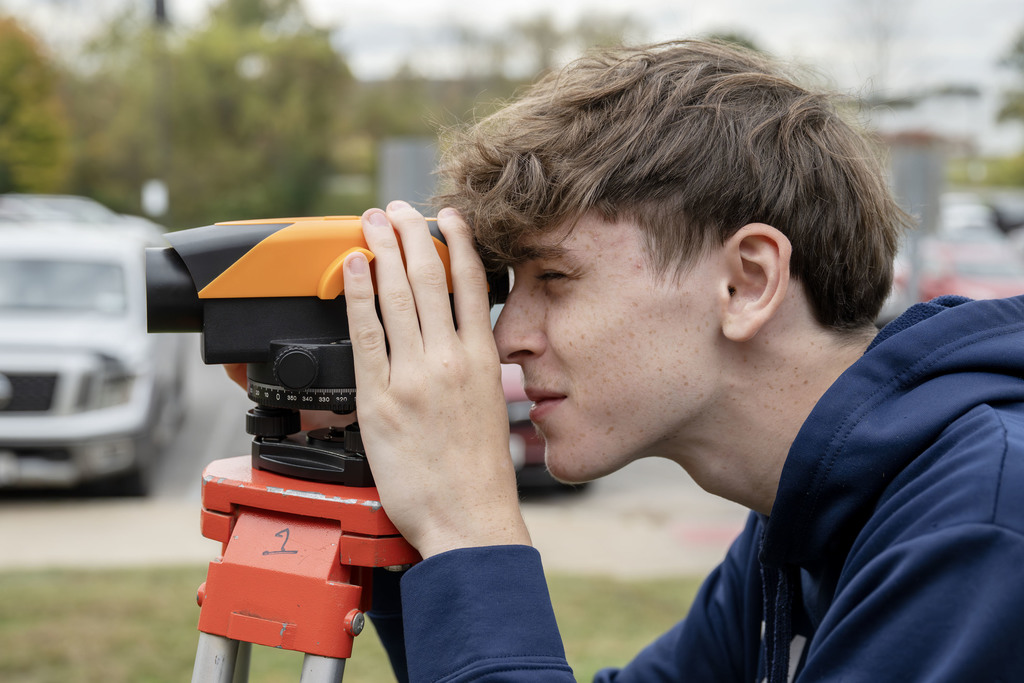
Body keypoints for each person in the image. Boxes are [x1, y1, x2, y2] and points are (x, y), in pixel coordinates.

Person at [294, 40, 1024, 681]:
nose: (504, 336)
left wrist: (467, 527)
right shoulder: (803, 525)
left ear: (747, 282)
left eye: (553, 278)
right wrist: (397, 509)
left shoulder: (979, 532)